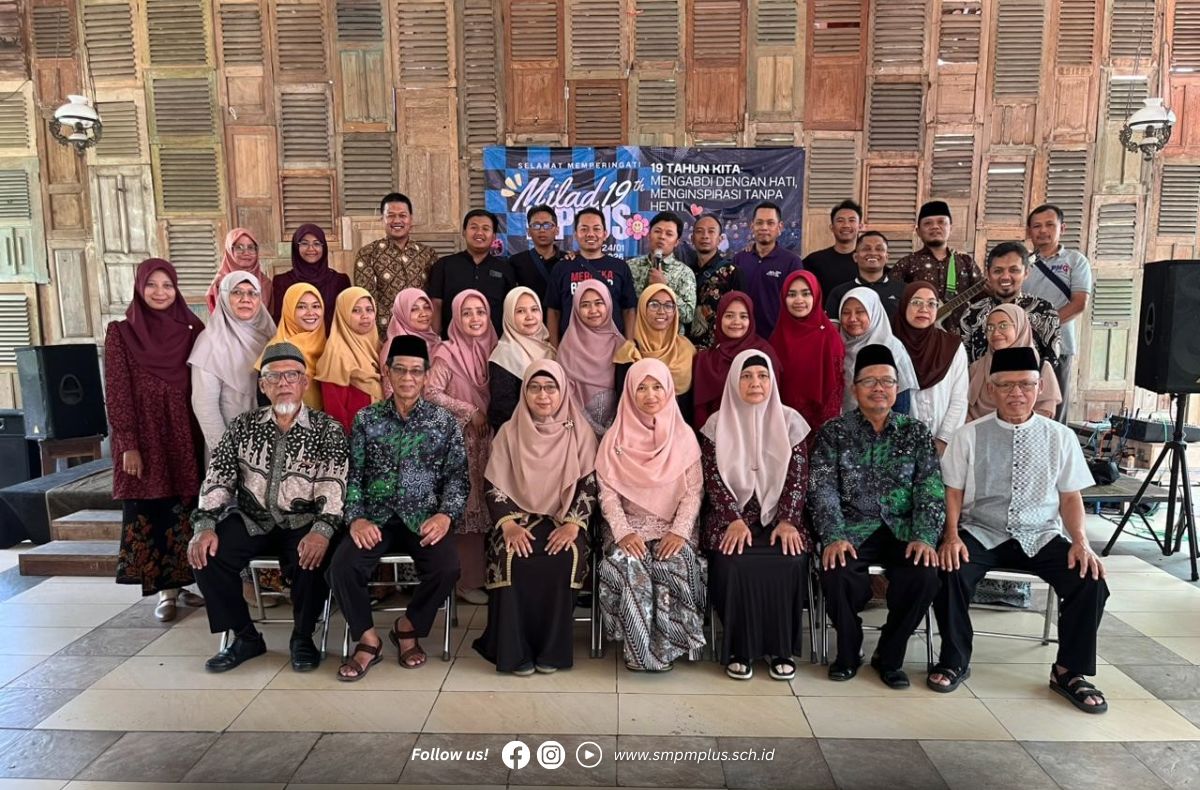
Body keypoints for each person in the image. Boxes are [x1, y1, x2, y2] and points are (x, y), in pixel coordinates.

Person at [929, 346, 1109, 714]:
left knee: (1089, 578)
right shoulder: (968, 435)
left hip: (1040, 533)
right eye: (1006, 385)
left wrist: (1080, 542)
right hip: (982, 530)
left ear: (1039, 387)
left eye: (1026, 385)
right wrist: (951, 535)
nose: (1017, 393)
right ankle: (954, 659)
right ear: (991, 389)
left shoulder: (1060, 436)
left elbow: (1070, 496)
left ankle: (1068, 670)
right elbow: (953, 491)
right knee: (949, 570)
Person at [188, 342, 348, 673]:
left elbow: (334, 484)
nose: (284, 383)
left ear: (305, 382)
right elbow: (218, 477)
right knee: (206, 555)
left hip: (302, 520)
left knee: (312, 556)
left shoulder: (327, 429)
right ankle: (245, 637)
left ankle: (303, 637)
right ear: (263, 385)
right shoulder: (242, 427)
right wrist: (204, 525)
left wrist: (322, 530)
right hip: (252, 519)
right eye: (274, 377)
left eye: (293, 375)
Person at [808, 344, 946, 687]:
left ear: (897, 388)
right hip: (853, 527)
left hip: (904, 529)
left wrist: (925, 536)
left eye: (887, 381)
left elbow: (930, 488)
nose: (879, 388)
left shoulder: (916, 432)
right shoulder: (834, 432)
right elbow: (822, 489)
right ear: (855, 388)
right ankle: (848, 649)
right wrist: (833, 535)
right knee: (836, 570)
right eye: (869, 381)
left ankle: (890, 654)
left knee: (925, 575)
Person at [330, 335, 468, 678]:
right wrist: (356, 519)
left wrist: (445, 515)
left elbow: (457, 477)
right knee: (342, 567)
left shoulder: (444, 422)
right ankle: (368, 639)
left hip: (422, 516)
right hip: (375, 518)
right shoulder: (366, 419)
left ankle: (408, 627)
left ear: (426, 376)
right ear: (388, 373)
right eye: (400, 370)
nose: (408, 378)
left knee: (447, 567)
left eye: (416, 371)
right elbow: (352, 476)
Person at [474, 360, 599, 674]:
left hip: (564, 519)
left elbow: (590, 482)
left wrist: (574, 524)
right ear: (524, 393)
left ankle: (551, 651)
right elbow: (493, 483)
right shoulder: (509, 432)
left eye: (550, 388)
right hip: (517, 518)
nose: (543, 395)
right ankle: (514, 651)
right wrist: (508, 525)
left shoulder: (581, 432)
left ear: (563, 392)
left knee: (564, 557)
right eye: (535, 388)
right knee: (511, 556)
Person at [700, 351, 811, 681]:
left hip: (780, 516)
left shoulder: (791, 422)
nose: (755, 383)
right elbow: (712, 478)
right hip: (731, 517)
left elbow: (799, 477)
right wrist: (733, 518)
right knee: (732, 560)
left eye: (763, 376)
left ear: (772, 381)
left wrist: (788, 519)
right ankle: (740, 648)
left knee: (790, 558)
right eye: (747, 376)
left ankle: (781, 648)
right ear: (734, 381)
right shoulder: (716, 424)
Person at [106, 258, 205, 621]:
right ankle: (166, 592)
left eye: (167, 285)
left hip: (185, 432)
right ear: (139, 288)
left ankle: (187, 583)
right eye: (152, 285)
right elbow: (117, 391)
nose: (160, 292)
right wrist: (128, 443)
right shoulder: (121, 333)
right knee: (153, 507)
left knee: (186, 507)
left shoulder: (192, 329)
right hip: (145, 436)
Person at [597, 358, 707, 672]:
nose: (650, 395)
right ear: (630, 392)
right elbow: (607, 495)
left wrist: (679, 531)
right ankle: (639, 649)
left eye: (657, 386)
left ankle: (667, 646)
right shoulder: (614, 439)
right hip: (627, 528)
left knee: (675, 563)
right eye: (641, 388)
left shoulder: (684, 437)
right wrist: (623, 532)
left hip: (673, 528)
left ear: (669, 389)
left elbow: (693, 492)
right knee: (629, 566)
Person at [424, 290, 499, 605]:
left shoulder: (496, 347)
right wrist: (469, 410)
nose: (475, 319)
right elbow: (430, 392)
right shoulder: (447, 352)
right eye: (466, 313)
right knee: (467, 508)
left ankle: (487, 576)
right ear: (455, 317)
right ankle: (465, 582)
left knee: (488, 506)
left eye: (480, 311)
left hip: (490, 440)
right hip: (461, 441)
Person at [189, 271, 275, 463]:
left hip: (268, 441)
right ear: (224, 297)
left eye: (252, 293)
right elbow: (205, 406)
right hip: (230, 441)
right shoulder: (210, 341)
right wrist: (225, 453)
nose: (246, 299)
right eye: (237, 292)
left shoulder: (269, 334)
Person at [1024, 204, 1093, 422]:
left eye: (1049, 225)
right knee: (1022, 410)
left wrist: (1042, 330)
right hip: (1023, 347)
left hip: (1059, 348)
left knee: (1053, 413)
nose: (1043, 230)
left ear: (1062, 228)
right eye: (1037, 226)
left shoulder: (1075, 261)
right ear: (1029, 231)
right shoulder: (1022, 263)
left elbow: (1079, 303)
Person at [958, 241, 1062, 373]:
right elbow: (963, 363)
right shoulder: (972, 313)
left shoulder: (1045, 311)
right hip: (981, 385)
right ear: (988, 274)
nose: (1005, 277)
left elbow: (1050, 363)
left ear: (1026, 273)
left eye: (1014, 270)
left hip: (1031, 385)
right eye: (998, 271)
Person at [892, 282, 969, 453]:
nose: (924, 309)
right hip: (899, 447)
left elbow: (959, 398)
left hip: (945, 447)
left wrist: (943, 440)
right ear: (904, 305)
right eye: (916, 302)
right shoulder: (889, 346)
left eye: (931, 304)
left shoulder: (952, 346)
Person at [545, 208, 638, 342]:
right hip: (573, 346)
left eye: (596, 229)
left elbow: (628, 309)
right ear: (575, 235)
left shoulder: (620, 267)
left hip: (613, 345)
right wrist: (554, 347)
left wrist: (629, 344)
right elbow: (554, 311)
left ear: (605, 234)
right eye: (584, 229)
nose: (590, 234)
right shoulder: (561, 268)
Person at [353, 192, 440, 336]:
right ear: (382, 219)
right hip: (384, 336)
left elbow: (434, 298)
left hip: (423, 335)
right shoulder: (368, 254)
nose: (397, 220)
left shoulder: (428, 254)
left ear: (411, 219)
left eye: (402, 215)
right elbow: (366, 302)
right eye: (391, 215)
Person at [770, 271, 845, 434]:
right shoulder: (776, 338)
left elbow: (834, 391)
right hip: (782, 426)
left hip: (820, 428)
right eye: (791, 294)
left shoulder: (829, 337)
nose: (799, 300)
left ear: (816, 296)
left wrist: (825, 433)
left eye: (806, 293)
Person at [691, 291, 779, 430]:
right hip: (717, 434)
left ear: (751, 320)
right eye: (729, 316)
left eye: (743, 316)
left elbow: (773, 402)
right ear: (719, 318)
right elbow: (701, 412)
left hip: (758, 431)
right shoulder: (705, 360)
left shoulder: (763, 353)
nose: (736, 322)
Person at [613, 284, 697, 423]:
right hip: (639, 430)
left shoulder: (687, 349)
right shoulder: (630, 352)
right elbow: (623, 404)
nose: (661, 311)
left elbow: (693, 401)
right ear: (642, 309)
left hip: (680, 429)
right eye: (654, 305)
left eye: (668, 306)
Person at [428, 209, 516, 337]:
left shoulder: (505, 269)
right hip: (453, 343)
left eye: (485, 228)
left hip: (494, 344)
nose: (479, 232)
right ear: (464, 232)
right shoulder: (444, 265)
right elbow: (436, 305)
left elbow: (510, 308)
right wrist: (434, 341)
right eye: (474, 227)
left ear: (494, 236)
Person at [967, 304, 1061, 422]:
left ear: (1020, 327)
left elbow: (1043, 417)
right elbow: (965, 411)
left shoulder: (1041, 368)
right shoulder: (976, 368)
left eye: (1003, 326)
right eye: (990, 327)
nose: (995, 333)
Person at [557, 283, 625, 434]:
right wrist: (589, 429)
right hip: (576, 430)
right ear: (576, 308)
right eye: (585, 305)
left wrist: (611, 430)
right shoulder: (568, 347)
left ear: (608, 304)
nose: (593, 310)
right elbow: (564, 395)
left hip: (617, 430)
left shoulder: (621, 346)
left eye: (599, 303)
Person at [838, 288, 918, 415]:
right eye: (846, 313)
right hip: (846, 424)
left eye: (860, 312)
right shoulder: (838, 347)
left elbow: (901, 402)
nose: (852, 318)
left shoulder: (892, 348)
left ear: (874, 313)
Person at [315, 287, 384, 433]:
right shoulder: (336, 354)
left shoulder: (379, 347)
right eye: (356, 310)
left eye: (369, 310)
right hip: (356, 435)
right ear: (343, 314)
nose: (365, 316)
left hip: (382, 433)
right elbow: (335, 410)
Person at [732, 202, 804, 338]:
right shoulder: (739, 259)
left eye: (770, 223)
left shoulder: (792, 262)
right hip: (743, 337)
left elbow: (797, 304)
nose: (764, 228)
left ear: (780, 227)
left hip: (778, 338)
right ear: (752, 226)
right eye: (759, 223)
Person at [488, 287, 556, 429]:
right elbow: (503, 412)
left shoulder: (549, 347)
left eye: (534, 309)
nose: (529, 316)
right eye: (520, 311)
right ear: (509, 315)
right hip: (521, 433)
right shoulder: (504, 355)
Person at [891, 200, 981, 308]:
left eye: (941, 222)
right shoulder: (906, 264)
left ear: (951, 228)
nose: (935, 227)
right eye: (928, 223)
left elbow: (981, 299)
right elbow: (893, 302)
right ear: (918, 231)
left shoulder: (966, 262)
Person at [260, 283, 327, 411]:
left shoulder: (330, 347)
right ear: (289, 310)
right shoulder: (276, 351)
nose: (311, 313)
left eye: (316, 306)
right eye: (301, 306)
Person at [270, 224, 350, 331]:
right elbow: (280, 321)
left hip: (332, 340)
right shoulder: (282, 282)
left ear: (324, 247)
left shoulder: (340, 281)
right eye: (304, 243)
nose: (311, 249)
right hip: (295, 340)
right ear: (296, 247)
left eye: (316, 243)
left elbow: (345, 320)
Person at [627, 211, 698, 331]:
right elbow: (623, 308)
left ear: (676, 242)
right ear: (649, 235)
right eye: (657, 231)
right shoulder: (630, 267)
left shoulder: (685, 273)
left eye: (669, 234)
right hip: (637, 335)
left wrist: (665, 288)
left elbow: (688, 316)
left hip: (671, 339)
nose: (662, 237)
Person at [825, 231, 906, 319]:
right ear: (855, 257)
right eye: (866, 249)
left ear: (887, 257)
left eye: (879, 249)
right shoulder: (839, 292)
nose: (873, 253)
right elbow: (832, 326)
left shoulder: (904, 291)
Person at [688, 213, 738, 348]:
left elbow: (739, 313)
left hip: (719, 348)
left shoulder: (732, 272)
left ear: (720, 239)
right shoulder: (685, 271)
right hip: (686, 348)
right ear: (692, 238)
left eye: (711, 231)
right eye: (700, 231)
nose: (705, 236)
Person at [380, 288, 441, 397]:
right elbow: (391, 395)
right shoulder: (393, 346)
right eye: (414, 309)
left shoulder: (435, 340)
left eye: (427, 307)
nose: (423, 314)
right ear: (402, 313)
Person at [509, 204, 566, 308]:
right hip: (530, 317)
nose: (542, 230)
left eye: (547, 225)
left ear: (557, 230)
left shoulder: (567, 260)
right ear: (529, 232)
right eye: (536, 225)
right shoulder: (515, 262)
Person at [205, 227, 272, 314]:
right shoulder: (219, 283)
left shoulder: (265, 283)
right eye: (239, 248)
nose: (246, 253)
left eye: (251, 247)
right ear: (229, 251)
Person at [803, 200, 862, 296]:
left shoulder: (867, 261)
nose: (846, 225)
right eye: (840, 221)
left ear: (860, 226)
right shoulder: (814, 261)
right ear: (832, 227)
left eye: (852, 220)